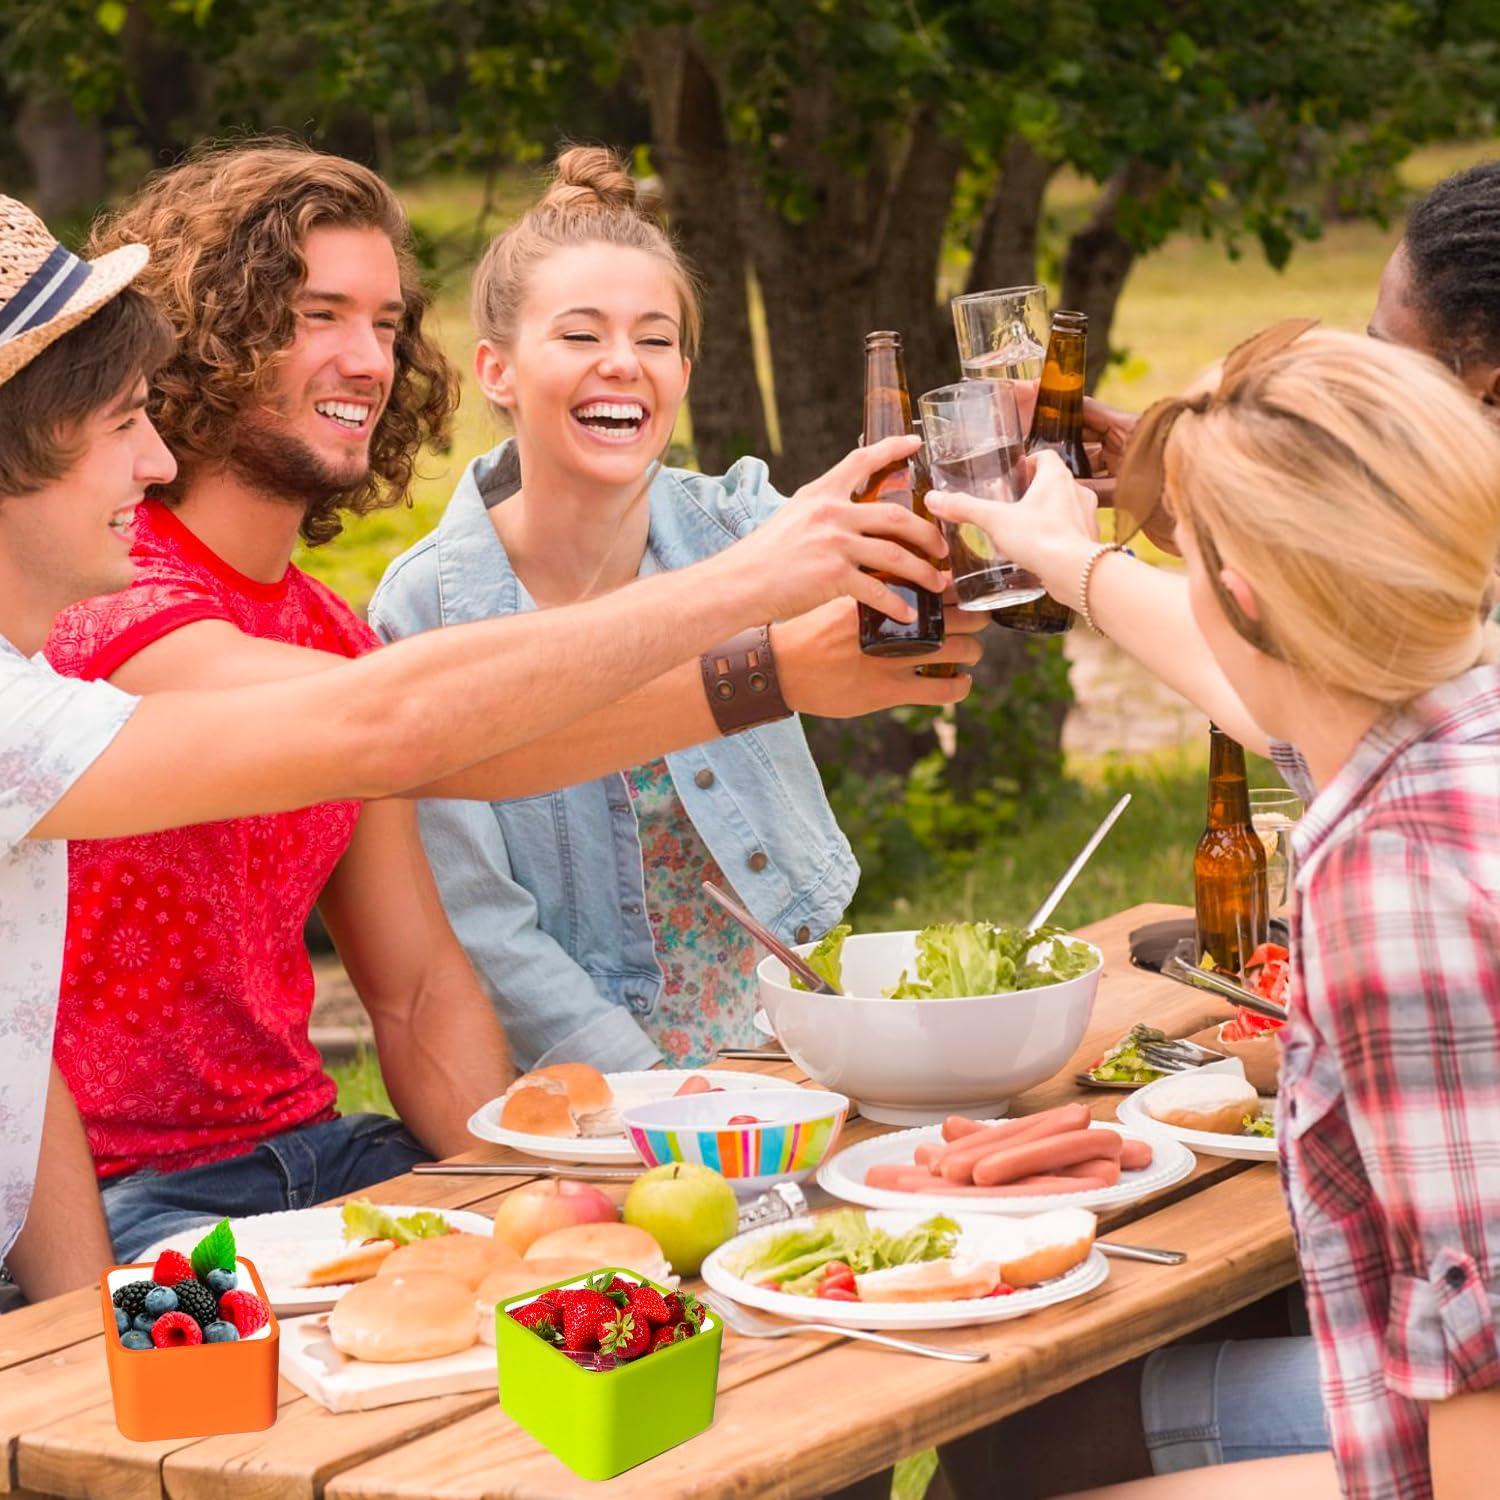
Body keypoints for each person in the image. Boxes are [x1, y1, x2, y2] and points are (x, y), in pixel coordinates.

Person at [0, 191, 948, 1305]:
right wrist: (758, 644)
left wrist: (535, 1199)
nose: (370, 359)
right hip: (147, 1193)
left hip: (322, 1153)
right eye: (319, 315)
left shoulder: (330, 631)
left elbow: (414, 984)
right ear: (216, 332)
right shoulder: (100, 616)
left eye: (388, 322)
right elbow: (395, 731)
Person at [931, 324, 1500, 1500]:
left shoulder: (1396, 879)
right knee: (1031, 1438)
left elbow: (1486, 1388)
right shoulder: (1447, 716)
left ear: (1242, 596)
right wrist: (1064, 557)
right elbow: (1257, 687)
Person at [372, 148, 984, 1069]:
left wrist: (997, 494)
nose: (623, 364)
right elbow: (483, 927)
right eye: (580, 336)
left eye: (655, 340)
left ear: (686, 371)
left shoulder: (740, 524)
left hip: (798, 1026)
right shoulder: (424, 609)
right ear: (496, 370)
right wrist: (652, 1091)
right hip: (590, 1076)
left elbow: (921, 569)